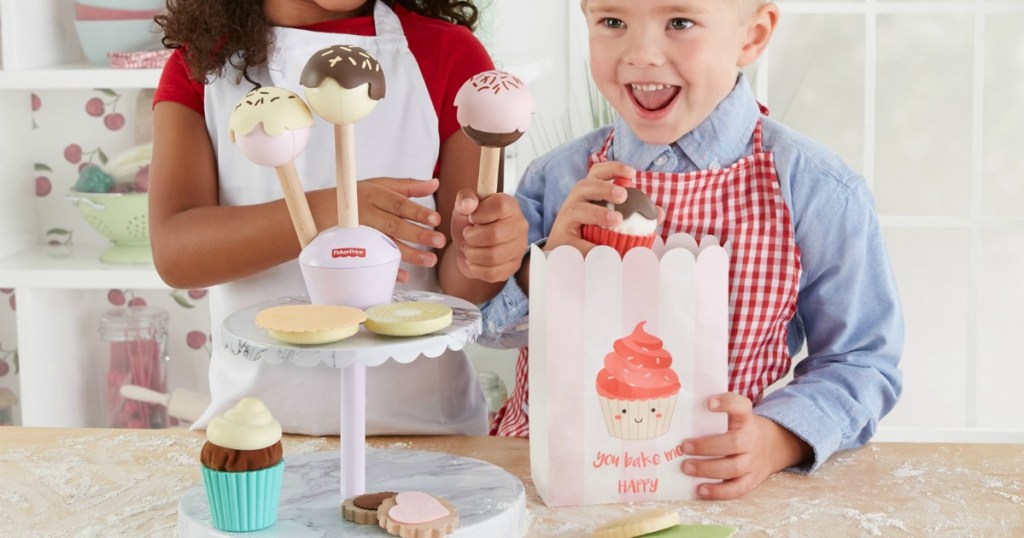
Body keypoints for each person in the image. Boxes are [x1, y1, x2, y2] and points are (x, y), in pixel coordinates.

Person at [482, 0, 904, 499]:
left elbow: (861, 360)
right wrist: (550, 262)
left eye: (680, 23)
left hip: (711, 485)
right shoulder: (556, 178)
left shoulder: (817, 190)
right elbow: (492, 331)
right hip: (546, 480)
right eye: (612, 22)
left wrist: (777, 439)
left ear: (752, 36)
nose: (641, 54)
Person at [149, 0, 527, 436]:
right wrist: (332, 210)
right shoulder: (199, 65)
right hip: (257, 433)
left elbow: (466, 289)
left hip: (426, 432)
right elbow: (176, 252)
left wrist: (484, 251)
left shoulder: (449, 54)